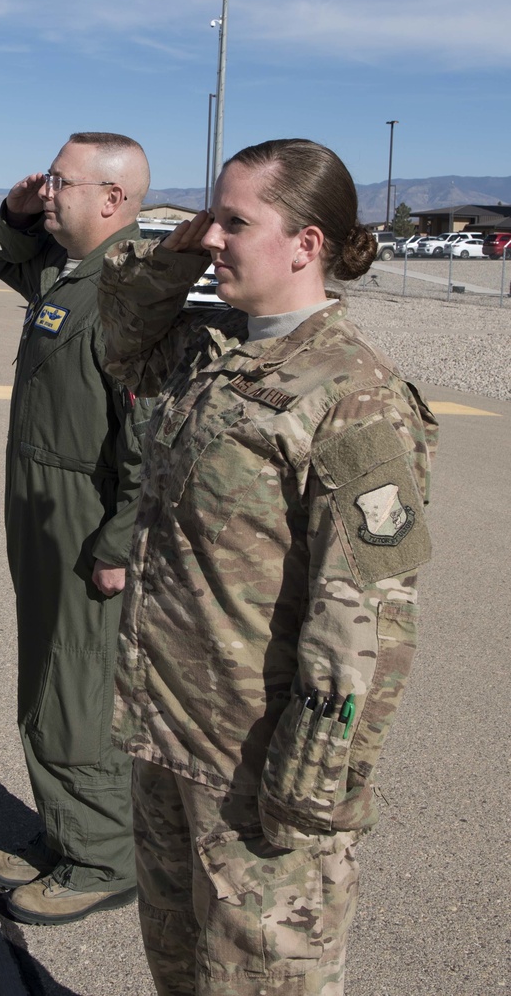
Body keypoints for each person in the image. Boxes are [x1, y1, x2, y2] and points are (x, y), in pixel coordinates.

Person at [97, 139, 438, 993]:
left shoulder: (355, 396)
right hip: (168, 731)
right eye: (213, 217)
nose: (214, 237)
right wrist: (183, 246)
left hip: (259, 770)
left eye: (237, 222)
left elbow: (371, 611)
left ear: (306, 243)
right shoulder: (212, 350)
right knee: (177, 967)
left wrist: (313, 783)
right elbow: (119, 340)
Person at [0, 132, 153, 925]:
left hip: (88, 522)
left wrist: (117, 543)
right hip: (45, 510)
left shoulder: (135, 295)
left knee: (76, 689)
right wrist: (17, 213)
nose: (47, 191)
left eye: (61, 181)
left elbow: (148, 442)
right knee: (45, 676)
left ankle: (102, 856)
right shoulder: (72, 272)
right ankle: (64, 828)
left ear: (112, 200)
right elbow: (15, 263)